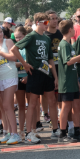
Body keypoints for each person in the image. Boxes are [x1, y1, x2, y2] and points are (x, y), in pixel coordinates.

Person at [16, 13, 54, 144]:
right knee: (32, 103)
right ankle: (28, 133)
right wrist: (24, 64)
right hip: (35, 73)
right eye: (46, 22)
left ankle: (50, 129)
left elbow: (50, 58)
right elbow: (14, 48)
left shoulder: (47, 38)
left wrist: (55, 76)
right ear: (38, 22)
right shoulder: (31, 36)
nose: (47, 25)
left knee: (45, 102)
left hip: (46, 72)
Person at [54, 19, 80, 142]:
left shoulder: (68, 44)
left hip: (72, 81)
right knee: (66, 107)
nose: (74, 30)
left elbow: (72, 66)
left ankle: (76, 131)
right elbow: (68, 62)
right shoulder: (63, 44)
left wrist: (77, 82)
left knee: (76, 106)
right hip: (66, 82)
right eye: (73, 28)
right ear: (70, 30)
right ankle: (62, 134)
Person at [0, 24, 26, 145]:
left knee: (7, 105)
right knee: (3, 107)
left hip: (10, 75)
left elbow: (13, 57)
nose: (0, 34)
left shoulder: (8, 41)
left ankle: (15, 134)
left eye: (1, 31)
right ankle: (7, 132)